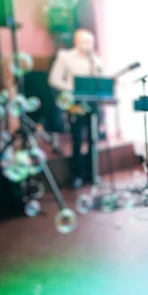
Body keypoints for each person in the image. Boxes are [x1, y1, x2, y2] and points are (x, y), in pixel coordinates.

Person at [48, 28, 103, 188]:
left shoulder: (95, 60)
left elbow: (101, 76)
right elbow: (54, 79)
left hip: (93, 103)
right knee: (77, 139)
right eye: (83, 42)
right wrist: (74, 88)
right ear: (76, 42)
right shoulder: (65, 56)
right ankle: (76, 175)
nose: (87, 45)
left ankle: (92, 174)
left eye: (89, 42)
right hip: (75, 103)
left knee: (93, 139)